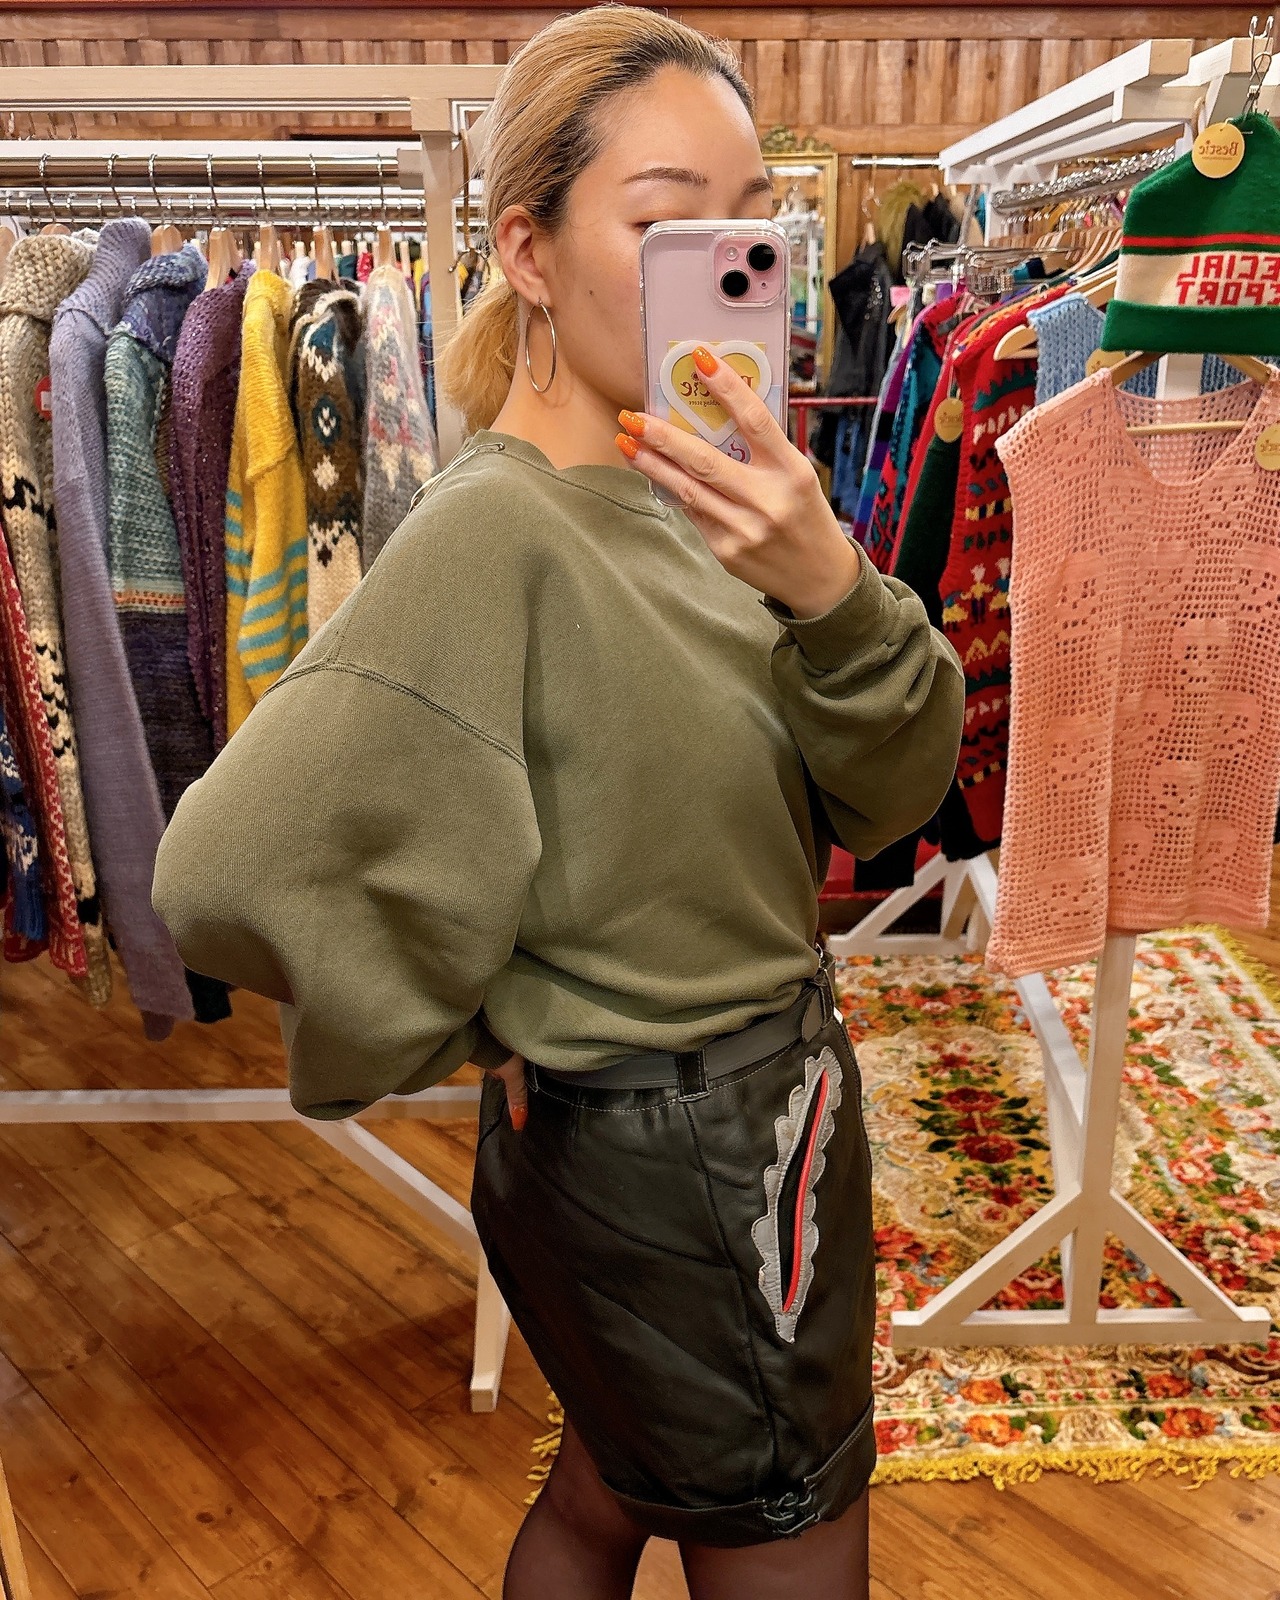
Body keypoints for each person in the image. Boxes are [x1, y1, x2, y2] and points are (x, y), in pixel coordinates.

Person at [150, 6, 965, 1596]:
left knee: (607, 1489)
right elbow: (224, 867)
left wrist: (831, 586)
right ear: (526, 250)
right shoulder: (496, 531)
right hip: (682, 1153)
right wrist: (477, 1004)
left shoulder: (724, 502)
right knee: (783, 1539)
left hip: (727, 1122)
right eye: (667, 226)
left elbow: (895, 792)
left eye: (750, 227)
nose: (725, 265)